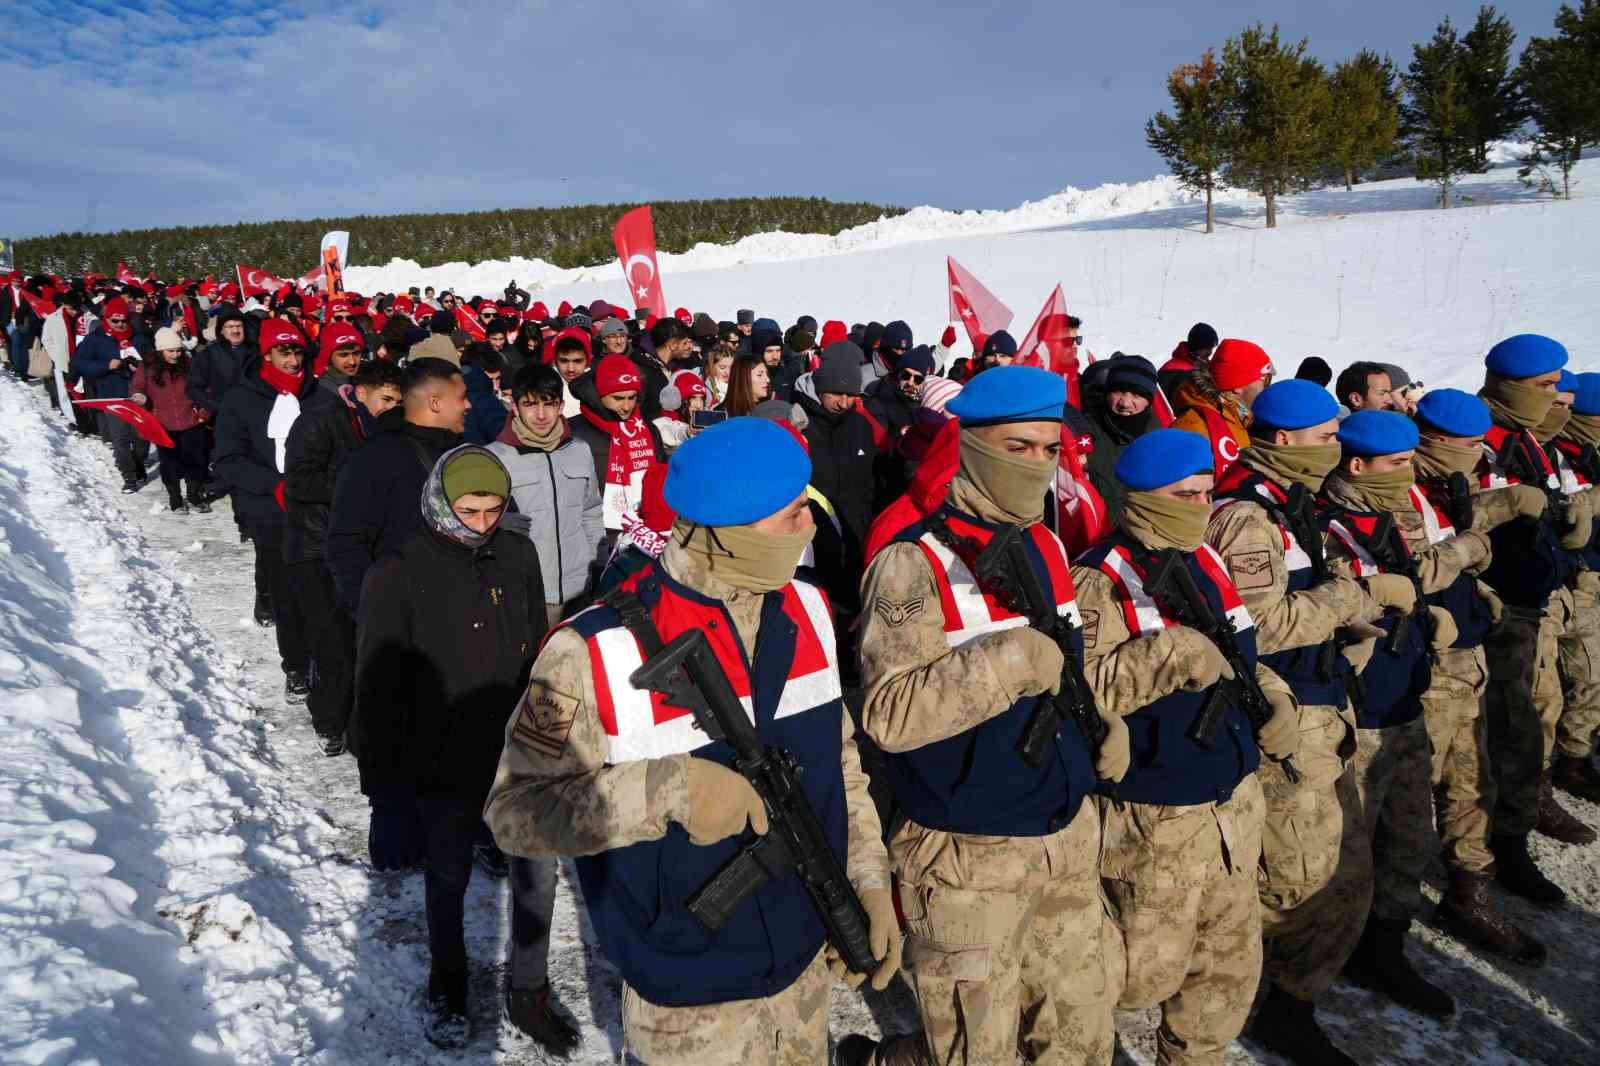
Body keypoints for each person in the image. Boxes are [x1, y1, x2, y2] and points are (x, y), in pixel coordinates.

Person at [484, 418, 900, 1064]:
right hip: (688, 1014)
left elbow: (842, 769)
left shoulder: (810, 612)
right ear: (729, 527)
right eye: (793, 515)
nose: (811, 527)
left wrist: (869, 882)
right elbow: (514, 814)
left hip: (802, 982)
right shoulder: (591, 650)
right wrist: (666, 792)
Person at [857, 365, 1122, 1065]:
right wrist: (1005, 663)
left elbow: (1065, 660)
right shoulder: (913, 562)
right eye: (1017, 447)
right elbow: (889, 714)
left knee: (1078, 1033)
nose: (1037, 463)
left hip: (1064, 835)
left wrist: (1099, 720)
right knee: (978, 1050)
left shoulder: (1044, 541)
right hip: (968, 853)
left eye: (1048, 449)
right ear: (972, 445)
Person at [1074, 428, 1295, 1066]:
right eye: (1184, 494)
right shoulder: (1099, 581)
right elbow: (1082, 694)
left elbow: (1244, 659)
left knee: (1223, 980)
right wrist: (1171, 654)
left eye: (1206, 492)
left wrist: (1277, 697)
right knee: (1134, 977)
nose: (1200, 506)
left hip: (1231, 807)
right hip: (1154, 817)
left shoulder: (1207, 559)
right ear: (1143, 497)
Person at [352, 445, 576, 1053]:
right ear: (440, 501)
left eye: (492, 510)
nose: (480, 525)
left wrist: (551, 738)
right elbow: (377, 683)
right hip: (440, 756)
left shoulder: (517, 552)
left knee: (539, 874)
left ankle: (529, 988)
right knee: (446, 876)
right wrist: (385, 790)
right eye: (468, 511)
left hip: (516, 751)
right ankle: (447, 982)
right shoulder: (397, 571)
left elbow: (538, 652)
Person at [1205, 379, 1400, 1066]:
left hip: (1319, 704)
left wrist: (1348, 623)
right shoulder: (1245, 518)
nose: (1335, 448)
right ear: (1283, 440)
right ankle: (1242, 1013)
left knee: (1333, 873)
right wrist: (1353, 595)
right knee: (1291, 882)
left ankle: (1289, 1002)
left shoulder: (1291, 506)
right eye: (1324, 438)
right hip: (1280, 722)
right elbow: (1256, 623)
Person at [1317, 410, 1462, 1019]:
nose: (1409, 473)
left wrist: (1429, 612)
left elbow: (1413, 577)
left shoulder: (1394, 514)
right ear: (1358, 466)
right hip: (1360, 708)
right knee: (1347, 854)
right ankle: (1312, 975)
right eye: (1396, 464)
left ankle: (1386, 947)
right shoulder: (1321, 525)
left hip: (1406, 694)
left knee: (1408, 832)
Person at [1408, 388, 1548, 963]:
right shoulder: (1402, 487)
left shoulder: (1448, 483)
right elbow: (1418, 560)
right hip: (1428, 666)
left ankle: (1471, 889)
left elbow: (1461, 530)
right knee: (1415, 791)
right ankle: (1380, 920)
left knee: (1472, 780)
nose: (1478, 452)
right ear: (1438, 441)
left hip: (1469, 655)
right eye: (1469, 444)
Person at [1472, 334, 1590, 903]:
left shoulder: (1527, 439)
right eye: (1545, 387)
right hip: (1496, 610)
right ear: (1511, 386)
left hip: (1531, 600)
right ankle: (1490, 857)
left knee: (1531, 722)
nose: (1556, 397)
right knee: (1505, 734)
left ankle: (1512, 834)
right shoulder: (1476, 440)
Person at [283, 360, 404, 753]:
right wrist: (357, 483)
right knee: (331, 640)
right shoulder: (319, 421)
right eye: (385, 398)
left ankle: (362, 719)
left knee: (365, 638)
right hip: (316, 547)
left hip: (363, 545)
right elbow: (298, 480)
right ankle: (330, 720)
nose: (391, 407)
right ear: (361, 391)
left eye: (397, 400)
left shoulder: (384, 429)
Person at [214, 318, 318, 696]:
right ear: (267, 353)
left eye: (297, 352)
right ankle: (295, 664)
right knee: (288, 592)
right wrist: (272, 485)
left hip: (317, 507)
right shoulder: (241, 398)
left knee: (321, 591)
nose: (293, 361)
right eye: (284, 352)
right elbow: (227, 458)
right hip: (270, 510)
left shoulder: (317, 393)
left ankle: (324, 657)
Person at [325, 358, 468, 613]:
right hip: (402, 611)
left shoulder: (463, 452)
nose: (468, 405)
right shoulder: (374, 458)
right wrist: (373, 614)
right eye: (462, 397)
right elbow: (346, 544)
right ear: (435, 402)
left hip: (461, 607)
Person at [488, 363, 605, 627]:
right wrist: (496, 524)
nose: (541, 415)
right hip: (528, 594)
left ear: (561, 407)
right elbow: (474, 522)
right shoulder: (495, 457)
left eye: (549, 404)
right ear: (514, 406)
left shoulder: (580, 450)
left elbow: (591, 510)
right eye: (530, 405)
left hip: (580, 591)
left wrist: (596, 562)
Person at [1549, 372, 1600, 804]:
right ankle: (1571, 758)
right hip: (1578, 577)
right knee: (1586, 672)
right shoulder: (1560, 456)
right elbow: (1566, 513)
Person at [567, 353, 667, 560]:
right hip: (596, 536)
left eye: (632, 398)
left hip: (644, 535)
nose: (627, 406)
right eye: (618, 398)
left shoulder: (647, 429)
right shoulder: (573, 431)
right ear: (600, 394)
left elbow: (660, 480)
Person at [72, 295, 152, 491]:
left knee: (142, 439)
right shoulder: (95, 339)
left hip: (139, 395)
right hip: (112, 395)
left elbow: (154, 363)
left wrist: (141, 368)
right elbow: (79, 363)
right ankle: (129, 478)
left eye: (124, 320)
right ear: (106, 319)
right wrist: (106, 365)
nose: (120, 324)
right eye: (115, 320)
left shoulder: (139, 338)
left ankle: (138, 465)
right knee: (120, 439)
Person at [129, 326, 208, 513]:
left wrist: (203, 414)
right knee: (170, 463)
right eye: (171, 351)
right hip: (163, 424)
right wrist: (140, 396)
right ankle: (176, 499)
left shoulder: (189, 364)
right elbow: (137, 387)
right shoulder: (147, 367)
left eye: (178, 350)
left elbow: (204, 389)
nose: (176, 355)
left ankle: (195, 495)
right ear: (160, 351)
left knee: (196, 461)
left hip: (191, 421)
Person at [1172, 338, 1272, 477]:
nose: (1268, 388)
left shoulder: (1241, 419)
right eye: (1265, 380)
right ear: (1238, 386)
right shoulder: (1193, 429)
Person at [1083, 354, 1160, 520]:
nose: (1125, 402)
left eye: (1136, 395)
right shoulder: (1085, 433)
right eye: (1118, 392)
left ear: (1149, 401)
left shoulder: (1159, 440)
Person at [1157, 321, 1218, 400]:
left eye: (1212, 348)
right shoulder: (1171, 371)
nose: (1210, 352)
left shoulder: (1205, 366)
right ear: (1197, 346)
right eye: (1206, 348)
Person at [721, 352, 772, 417]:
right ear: (743, 378)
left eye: (767, 374)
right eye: (760, 375)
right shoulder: (722, 414)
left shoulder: (772, 410)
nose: (768, 380)